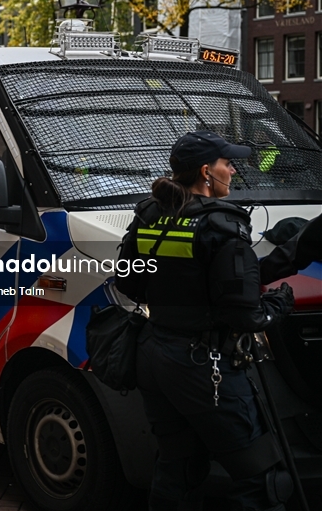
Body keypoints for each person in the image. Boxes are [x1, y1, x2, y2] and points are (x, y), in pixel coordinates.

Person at [115, 130, 296, 511]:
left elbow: (128, 282)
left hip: (154, 356)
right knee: (261, 480)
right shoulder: (224, 224)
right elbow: (245, 313)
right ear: (205, 171)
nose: (233, 170)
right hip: (204, 366)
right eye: (227, 163)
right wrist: (279, 304)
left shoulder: (149, 214)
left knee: (177, 471)